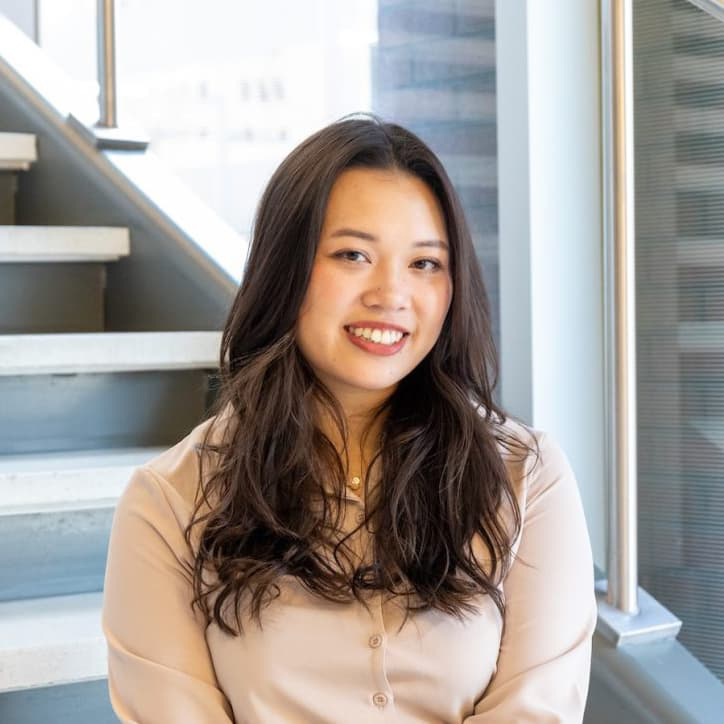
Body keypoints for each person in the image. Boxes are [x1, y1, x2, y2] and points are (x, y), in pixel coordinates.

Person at [102, 113, 597, 723]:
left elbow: (536, 710)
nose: (391, 294)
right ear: (285, 268)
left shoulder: (526, 476)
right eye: (353, 254)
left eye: (424, 264)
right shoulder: (169, 502)